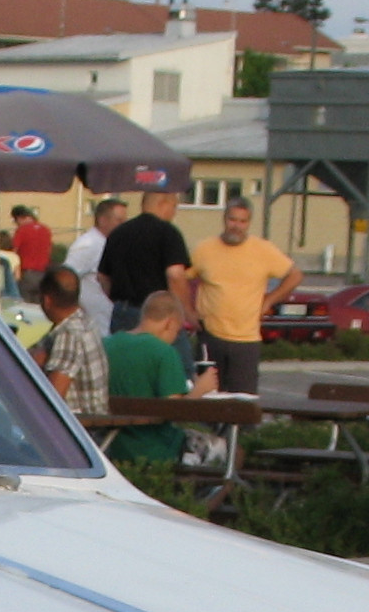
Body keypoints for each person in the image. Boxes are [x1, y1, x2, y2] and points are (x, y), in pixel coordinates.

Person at [188, 198, 302, 395]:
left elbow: (295, 275)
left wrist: (269, 300)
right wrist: (188, 311)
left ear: (249, 223)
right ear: (224, 219)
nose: (237, 226)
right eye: (233, 220)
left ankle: (239, 428)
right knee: (208, 401)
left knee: (243, 401)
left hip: (246, 339)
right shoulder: (204, 249)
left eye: (243, 221)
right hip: (210, 336)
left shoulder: (263, 250)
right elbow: (180, 279)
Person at [103, 290, 205, 468]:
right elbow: (175, 412)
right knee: (231, 450)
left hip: (111, 446)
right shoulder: (164, 353)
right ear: (170, 323)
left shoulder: (107, 345)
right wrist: (200, 389)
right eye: (177, 330)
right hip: (157, 447)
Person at [95, 188, 193, 347]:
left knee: (128, 365)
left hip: (123, 312)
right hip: (159, 316)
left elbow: (102, 276)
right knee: (179, 365)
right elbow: (175, 275)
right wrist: (186, 312)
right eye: (174, 207)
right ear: (163, 203)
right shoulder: (168, 233)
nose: (174, 213)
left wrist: (118, 299)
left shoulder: (118, 233)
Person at [33, 265, 106, 416]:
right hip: (87, 422)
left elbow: (54, 395)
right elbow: (35, 354)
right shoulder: (84, 322)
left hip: (76, 427)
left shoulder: (69, 334)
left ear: (47, 300)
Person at [64, 196, 129, 335]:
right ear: (103, 220)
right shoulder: (88, 245)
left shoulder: (110, 244)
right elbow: (65, 278)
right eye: (119, 220)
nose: (124, 225)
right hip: (95, 326)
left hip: (109, 322)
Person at [6, 204, 54, 296]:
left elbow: (14, 251)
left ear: (19, 218)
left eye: (15, 221)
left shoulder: (22, 230)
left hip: (27, 274)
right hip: (43, 274)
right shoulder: (46, 230)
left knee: (25, 304)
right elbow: (49, 250)